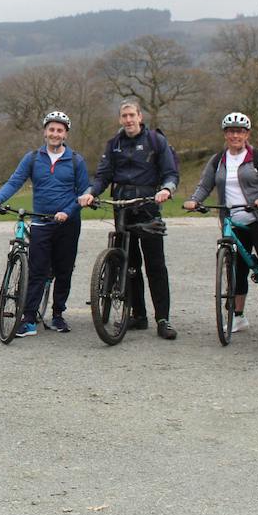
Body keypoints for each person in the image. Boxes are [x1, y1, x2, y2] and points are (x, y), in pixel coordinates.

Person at [78, 100, 180, 340]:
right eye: (124, 116)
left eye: (132, 115)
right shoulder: (114, 144)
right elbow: (103, 175)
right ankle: (138, 314)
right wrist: (91, 193)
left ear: (140, 116)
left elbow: (170, 173)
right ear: (119, 119)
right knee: (129, 264)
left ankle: (163, 319)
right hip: (121, 206)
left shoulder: (156, 141)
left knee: (155, 265)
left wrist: (166, 189)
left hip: (148, 207)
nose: (128, 120)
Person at [0, 111, 87, 336]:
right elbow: (15, 181)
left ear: (66, 134)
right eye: (51, 129)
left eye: (60, 130)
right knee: (37, 271)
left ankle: (58, 315)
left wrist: (67, 212)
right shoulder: (32, 158)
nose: (55, 134)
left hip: (67, 224)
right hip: (41, 222)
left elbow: (83, 194)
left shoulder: (76, 161)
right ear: (45, 132)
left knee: (64, 270)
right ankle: (29, 318)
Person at [182, 112, 258, 331]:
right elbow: (205, 185)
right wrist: (194, 200)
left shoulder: (257, 157)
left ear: (247, 134)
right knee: (236, 268)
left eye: (240, 131)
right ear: (225, 134)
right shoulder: (218, 160)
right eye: (231, 131)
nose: (235, 135)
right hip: (232, 222)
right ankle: (238, 316)